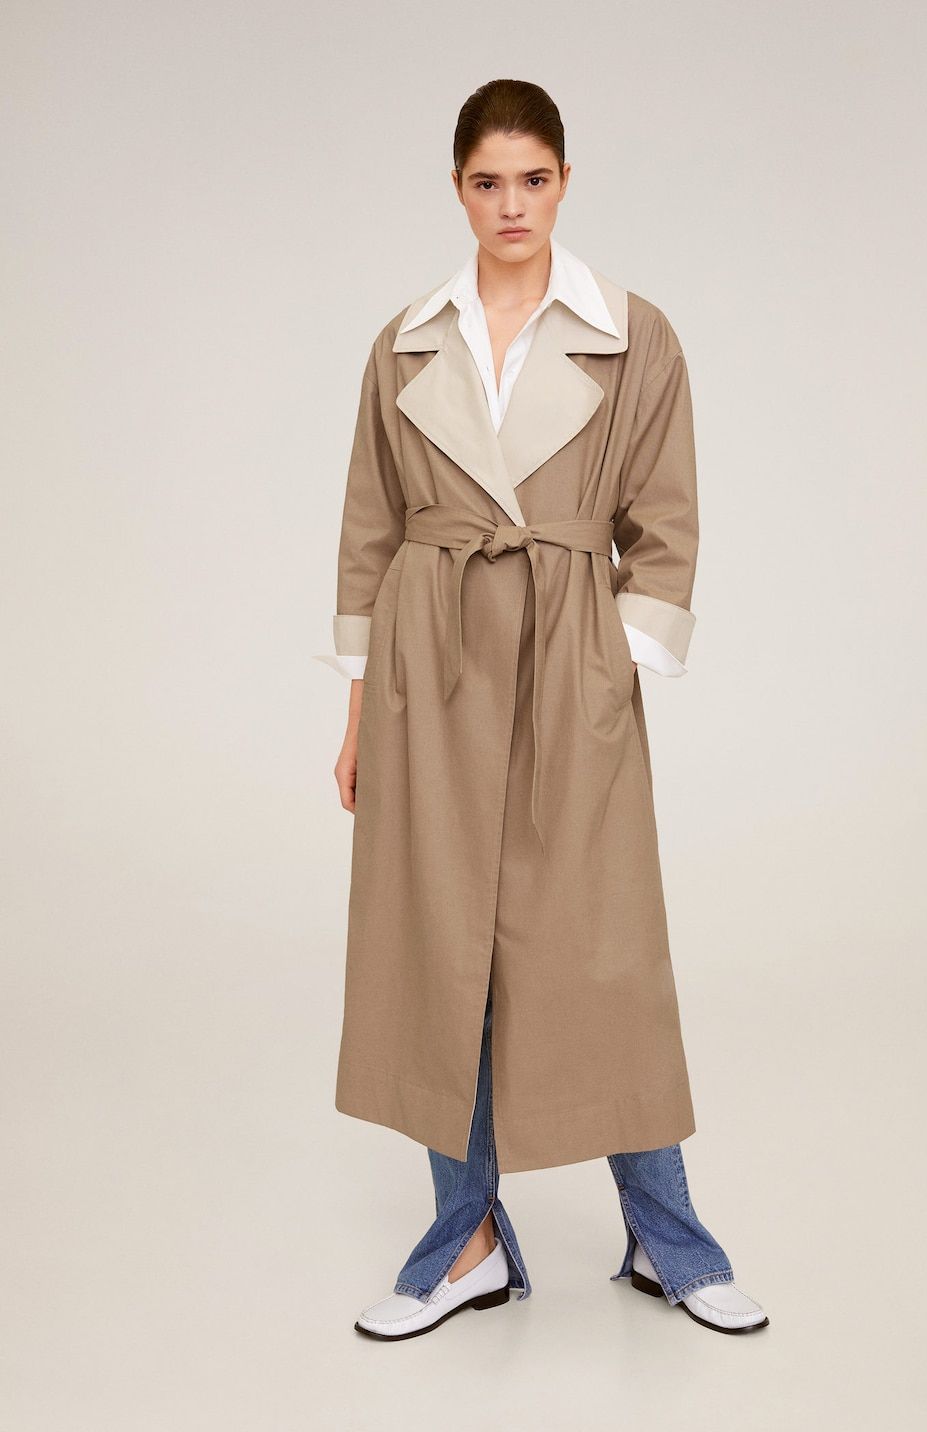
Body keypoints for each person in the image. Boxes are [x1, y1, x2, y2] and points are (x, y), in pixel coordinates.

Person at [314, 78, 768, 1342]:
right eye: (487, 182)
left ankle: (668, 1238)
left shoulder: (632, 334)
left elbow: (664, 522)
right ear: (457, 190)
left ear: (565, 182)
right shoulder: (405, 342)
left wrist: (610, 667)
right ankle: (462, 1242)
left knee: (602, 950)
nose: (511, 204)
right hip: (429, 665)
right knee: (439, 949)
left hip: (569, 661)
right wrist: (358, 712)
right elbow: (367, 530)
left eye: (533, 179)